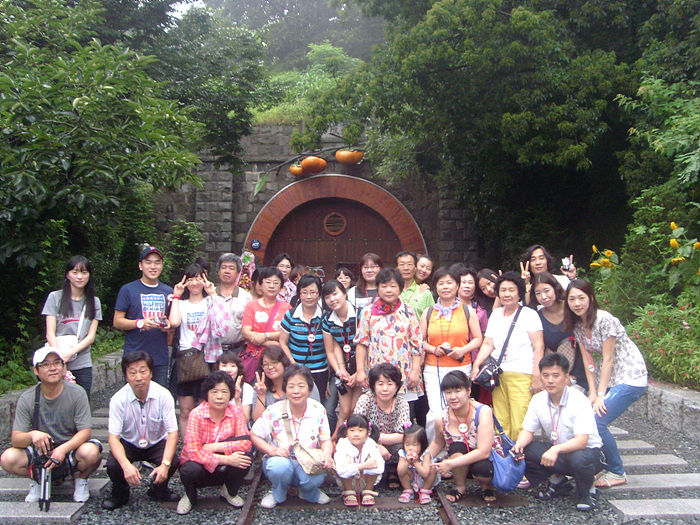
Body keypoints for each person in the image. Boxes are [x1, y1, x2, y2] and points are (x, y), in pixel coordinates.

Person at [564, 279, 648, 489]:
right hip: (610, 378)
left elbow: (608, 358)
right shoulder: (578, 324)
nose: (577, 303)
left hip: (630, 376)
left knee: (597, 421)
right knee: (589, 416)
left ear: (591, 298)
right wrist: (592, 392)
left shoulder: (604, 319)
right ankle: (603, 464)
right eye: (572, 299)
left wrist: (601, 394)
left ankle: (617, 471)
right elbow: (588, 361)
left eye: (581, 298)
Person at [1, 347, 102, 503]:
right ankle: (38, 478)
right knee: (8, 458)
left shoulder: (77, 393)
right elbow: (16, 439)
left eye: (57, 363)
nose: (53, 368)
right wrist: (32, 435)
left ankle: (81, 479)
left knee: (91, 452)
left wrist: (63, 449)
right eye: (46, 364)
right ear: (36, 370)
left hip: (70, 447)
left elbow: (85, 431)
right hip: (41, 451)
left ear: (63, 366)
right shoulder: (27, 398)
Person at [513, 353, 605, 512]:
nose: (550, 380)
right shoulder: (538, 400)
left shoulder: (579, 400)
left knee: (579, 458)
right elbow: (527, 430)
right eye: (545, 375)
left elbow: (582, 441)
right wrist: (518, 445)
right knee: (524, 451)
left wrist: (555, 449)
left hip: (588, 453)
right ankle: (558, 481)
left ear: (566, 377)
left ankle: (587, 492)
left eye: (556, 376)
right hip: (560, 452)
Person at [471, 271, 545, 440]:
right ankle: (503, 453)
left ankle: (520, 453)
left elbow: (538, 347)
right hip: (498, 375)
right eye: (503, 290)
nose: (507, 294)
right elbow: (488, 343)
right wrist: (477, 364)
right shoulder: (496, 314)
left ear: (519, 292)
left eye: (511, 290)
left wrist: (537, 375)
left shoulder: (529, 315)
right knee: (501, 420)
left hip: (522, 374)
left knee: (520, 421)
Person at [102, 351, 179, 510]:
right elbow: (113, 438)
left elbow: (172, 433)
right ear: (126, 376)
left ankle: (158, 490)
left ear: (151, 373)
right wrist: (126, 465)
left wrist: (165, 465)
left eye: (143, 371)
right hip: (129, 441)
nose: (138, 377)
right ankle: (120, 493)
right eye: (132, 373)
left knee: (173, 461)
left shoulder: (164, 395)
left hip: (156, 441)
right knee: (113, 465)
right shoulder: (118, 399)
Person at [250, 364, 334, 509]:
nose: (296, 391)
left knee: (315, 477)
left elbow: (325, 439)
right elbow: (254, 435)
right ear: (285, 389)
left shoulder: (318, 410)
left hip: (308, 461)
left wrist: (327, 454)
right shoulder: (274, 411)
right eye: (291, 386)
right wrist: (272, 450)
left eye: (301, 386)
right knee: (278, 467)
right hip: (282, 460)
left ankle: (309, 492)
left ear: (309, 389)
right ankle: (278, 492)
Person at [420, 266, 483, 442]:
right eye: (441, 283)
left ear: (457, 286)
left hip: (461, 367)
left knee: (460, 408)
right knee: (435, 412)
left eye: (449, 283)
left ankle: (462, 444)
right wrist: (434, 349)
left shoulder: (467, 311)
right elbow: (419, 341)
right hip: (434, 368)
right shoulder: (428, 312)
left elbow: (478, 339)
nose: (445, 287)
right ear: (435, 287)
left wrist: (462, 350)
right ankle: (435, 448)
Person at [177, 371, 252, 514]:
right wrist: (227, 459)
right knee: (190, 470)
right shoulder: (197, 414)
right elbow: (193, 452)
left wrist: (214, 447)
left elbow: (246, 443)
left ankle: (229, 492)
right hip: (201, 467)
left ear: (230, 394)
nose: (219, 396)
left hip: (221, 466)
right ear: (207, 394)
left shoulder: (236, 412)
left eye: (224, 392)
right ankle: (189, 496)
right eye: (214, 391)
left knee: (244, 459)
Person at [355, 267, 423, 407]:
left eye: (393, 286)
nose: (388, 290)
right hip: (377, 376)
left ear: (400, 288)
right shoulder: (368, 312)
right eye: (384, 286)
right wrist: (360, 371)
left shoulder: (408, 311)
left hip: (404, 375)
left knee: (404, 414)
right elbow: (361, 343)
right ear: (378, 288)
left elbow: (416, 344)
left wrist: (415, 371)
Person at [428, 371, 497, 503]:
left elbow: (484, 451)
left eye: (458, 391)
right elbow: (438, 443)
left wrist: (450, 463)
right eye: (448, 392)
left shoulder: (482, 411)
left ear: (468, 391)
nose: (453, 397)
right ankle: (460, 487)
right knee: (456, 447)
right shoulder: (442, 418)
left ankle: (486, 486)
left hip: (482, 458)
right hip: (459, 459)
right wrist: (424, 459)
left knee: (482, 468)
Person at [169, 264, 220, 435]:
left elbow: (222, 320)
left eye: (198, 278)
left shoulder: (209, 301)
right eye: (190, 279)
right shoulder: (181, 304)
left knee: (206, 408)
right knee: (186, 411)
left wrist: (212, 293)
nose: (195, 283)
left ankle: (205, 443)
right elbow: (174, 322)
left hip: (206, 358)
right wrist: (176, 296)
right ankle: (187, 446)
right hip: (186, 359)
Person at [43, 255, 102, 397]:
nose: (79, 277)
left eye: (84, 272)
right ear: (67, 275)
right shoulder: (54, 297)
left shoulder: (94, 302)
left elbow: (91, 336)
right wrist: (59, 360)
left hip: (82, 362)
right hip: (55, 363)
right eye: (75, 272)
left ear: (89, 275)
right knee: (55, 402)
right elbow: (50, 333)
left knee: (82, 402)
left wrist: (70, 353)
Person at [114, 246, 173, 386]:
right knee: (134, 397)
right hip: (134, 357)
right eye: (148, 262)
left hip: (160, 357)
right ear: (140, 266)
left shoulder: (169, 291)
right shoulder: (128, 290)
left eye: (157, 262)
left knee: (159, 397)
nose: (153, 267)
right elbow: (117, 321)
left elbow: (173, 323)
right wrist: (140, 323)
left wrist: (168, 327)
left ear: (162, 265)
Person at [353, 363, 411, 489]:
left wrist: (378, 438)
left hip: (392, 445)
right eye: (380, 384)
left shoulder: (402, 403)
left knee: (408, 444)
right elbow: (355, 428)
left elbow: (404, 435)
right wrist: (376, 446)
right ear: (373, 386)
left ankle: (394, 470)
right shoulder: (366, 400)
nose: (385, 389)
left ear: (397, 387)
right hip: (366, 443)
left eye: (390, 384)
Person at [532, 272, 588, 391]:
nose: (543, 296)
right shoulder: (536, 317)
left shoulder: (572, 310)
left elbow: (584, 345)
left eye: (547, 290)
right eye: (538, 293)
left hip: (578, 377)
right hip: (552, 380)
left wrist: (572, 377)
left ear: (555, 288)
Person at [322, 279, 362, 435]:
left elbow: (368, 345)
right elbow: (330, 350)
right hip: (343, 370)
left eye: (335, 294)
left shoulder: (360, 314)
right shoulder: (327, 320)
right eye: (327, 297)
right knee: (344, 411)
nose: (332, 299)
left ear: (344, 293)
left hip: (361, 369)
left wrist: (359, 372)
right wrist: (340, 371)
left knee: (355, 410)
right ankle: (334, 442)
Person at [279, 274, 328, 400]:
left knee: (318, 405)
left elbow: (330, 348)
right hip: (297, 372)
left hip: (320, 372)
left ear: (319, 294)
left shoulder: (326, 316)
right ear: (299, 294)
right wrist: (293, 364)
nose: (309, 296)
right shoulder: (291, 315)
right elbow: (283, 342)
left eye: (313, 292)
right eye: (304, 292)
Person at [240, 267, 291, 383]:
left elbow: (286, 333)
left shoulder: (287, 308)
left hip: (277, 361)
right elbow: (246, 332)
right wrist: (272, 343)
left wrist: (265, 336)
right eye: (268, 282)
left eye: (276, 283)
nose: (271, 286)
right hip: (254, 358)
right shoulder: (251, 306)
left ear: (281, 286)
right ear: (261, 284)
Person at [251, 346, 321, 421]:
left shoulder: (303, 382)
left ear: (284, 362)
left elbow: (316, 412)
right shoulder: (260, 387)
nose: (270, 367)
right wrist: (261, 395)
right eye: (265, 365)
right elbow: (258, 421)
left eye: (274, 362)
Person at [335, 414, 385, 507]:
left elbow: (380, 466)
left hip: (365, 479)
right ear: (346, 432)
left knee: (373, 462)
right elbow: (341, 470)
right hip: (348, 480)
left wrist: (357, 467)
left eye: (361, 430)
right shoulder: (342, 444)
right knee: (344, 464)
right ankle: (349, 491)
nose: (356, 434)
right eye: (352, 430)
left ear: (368, 432)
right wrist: (363, 466)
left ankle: (368, 490)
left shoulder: (371, 444)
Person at [216, 253, 253, 355]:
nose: (227, 271)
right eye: (224, 267)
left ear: (238, 273)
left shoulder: (246, 297)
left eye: (231, 268)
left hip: (237, 349)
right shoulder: (210, 294)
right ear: (218, 271)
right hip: (213, 349)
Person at [397, 424, 438, 505]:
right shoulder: (403, 453)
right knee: (403, 468)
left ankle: (425, 491)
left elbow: (425, 474)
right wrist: (407, 461)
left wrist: (415, 462)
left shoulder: (425, 454)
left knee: (432, 468)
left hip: (423, 479)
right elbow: (400, 472)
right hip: (411, 479)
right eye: (407, 444)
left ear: (422, 444)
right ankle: (408, 490)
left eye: (414, 445)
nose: (410, 448)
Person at [215, 351, 254, 422]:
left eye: (232, 366)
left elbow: (245, 421)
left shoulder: (246, 388)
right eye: (224, 366)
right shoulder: (212, 388)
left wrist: (237, 400)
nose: (228, 370)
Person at [396, 250, 435, 318]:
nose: (424, 270)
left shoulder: (425, 292)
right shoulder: (390, 289)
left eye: (428, 268)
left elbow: (432, 317)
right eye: (422, 266)